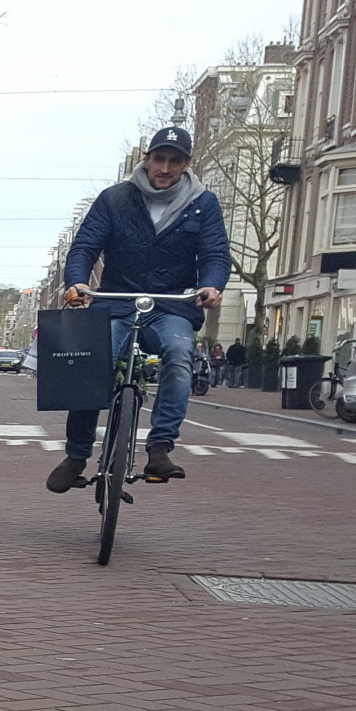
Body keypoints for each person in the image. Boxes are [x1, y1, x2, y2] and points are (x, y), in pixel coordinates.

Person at [46, 125, 229, 490]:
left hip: (171, 304)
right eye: (158, 159)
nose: (164, 168)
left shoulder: (202, 203)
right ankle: (77, 454)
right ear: (146, 160)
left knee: (179, 355)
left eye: (174, 161)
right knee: (90, 366)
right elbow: (84, 246)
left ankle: (160, 447)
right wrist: (77, 283)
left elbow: (215, 253)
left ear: (187, 164)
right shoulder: (114, 199)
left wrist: (212, 284)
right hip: (116, 302)